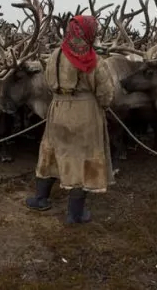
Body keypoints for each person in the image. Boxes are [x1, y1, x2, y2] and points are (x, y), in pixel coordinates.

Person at [25, 15, 115, 224]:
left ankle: (40, 199)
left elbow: (48, 82)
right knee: (82, 159)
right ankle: (75, 214)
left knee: (52, 152)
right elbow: (106, 93)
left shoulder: (56, 54)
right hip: (85, 114)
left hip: (57, 109)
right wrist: (103, 105)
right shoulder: (93, 60)